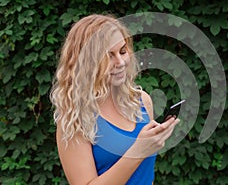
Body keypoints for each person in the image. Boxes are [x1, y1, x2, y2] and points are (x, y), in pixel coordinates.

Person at [50, 14, 180, 185]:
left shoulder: (141, 101)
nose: (120, 62)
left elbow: (145, 175)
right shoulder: (74, 119)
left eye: (123, 51)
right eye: (109, 55)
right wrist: (139, 150)